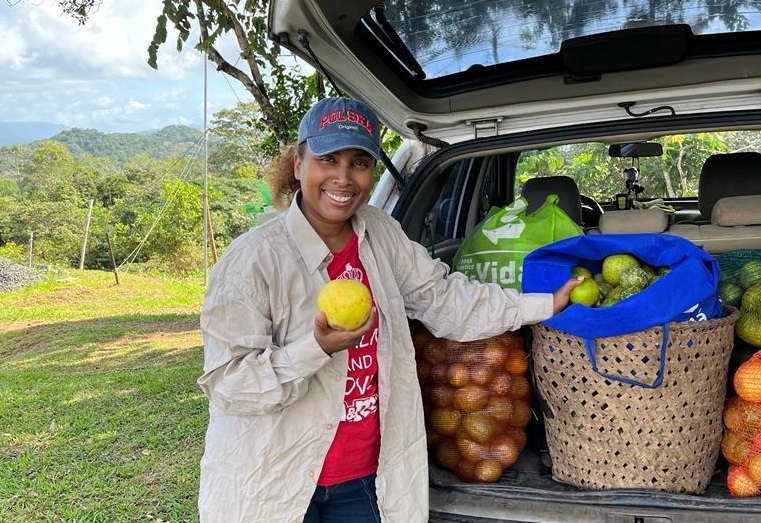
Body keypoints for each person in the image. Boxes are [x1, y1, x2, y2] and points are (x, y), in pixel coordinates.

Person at [197, 96, 582, 523]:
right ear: (298, 163)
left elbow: (442, 297)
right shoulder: (249, 262)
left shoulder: (380, 233)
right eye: (328, 159)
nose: (343, 178)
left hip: (366, 479)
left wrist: (544, 304)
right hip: (277, 480)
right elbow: (231, 384)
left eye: (359, 162)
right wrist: (316, 348)